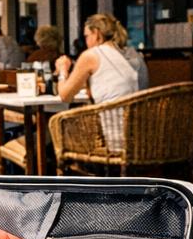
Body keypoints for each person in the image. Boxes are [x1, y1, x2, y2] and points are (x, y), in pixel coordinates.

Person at [54, 13, 149, 151]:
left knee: (60, 130)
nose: (85, 42)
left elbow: (65, 95)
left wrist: (63, 70)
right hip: (145, 137)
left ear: (97, 34)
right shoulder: (133, 53)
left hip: (114, 139)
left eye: (86, 36)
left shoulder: (92, 55)